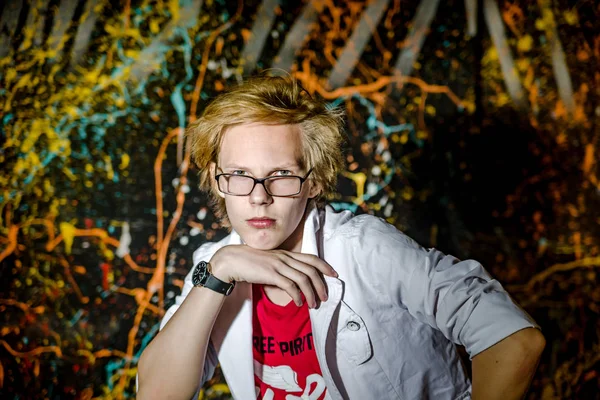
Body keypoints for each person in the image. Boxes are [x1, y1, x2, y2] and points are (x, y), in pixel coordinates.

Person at [137, 76, 545, 400]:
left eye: (280, 176)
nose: (258, 198)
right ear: (216, 180)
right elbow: (157, 394)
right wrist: (221, 270)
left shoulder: (364, 249)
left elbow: (515, 341)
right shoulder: (215, 264)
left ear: (313, 182)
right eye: (240, 175)